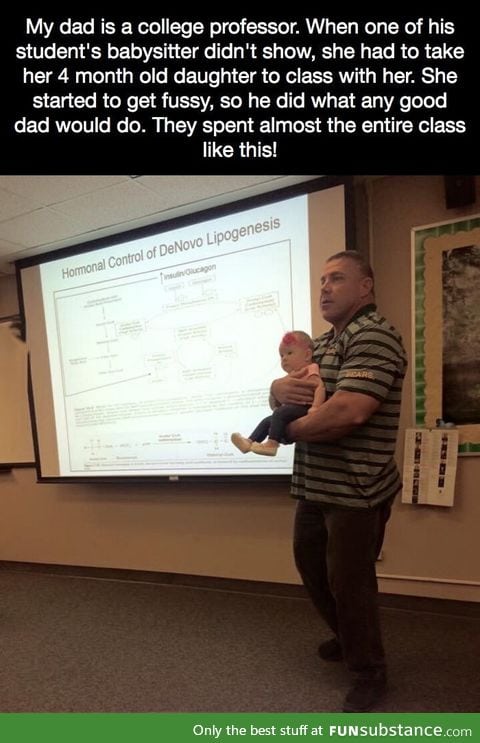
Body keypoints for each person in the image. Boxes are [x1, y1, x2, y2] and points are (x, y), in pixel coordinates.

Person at [270, 250, 407, 713]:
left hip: (357, 490)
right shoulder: (326, 344)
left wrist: (286, 430)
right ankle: (348, 638)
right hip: (315, 486)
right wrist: (275, 391)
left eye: (337, 279)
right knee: (312, 569)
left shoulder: (375, 336)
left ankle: (370, 670)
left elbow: (348, 411)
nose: (324, 287)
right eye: (322, 280)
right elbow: (296, 389)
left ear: (365, 287)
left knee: (351, 583)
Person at [231, 331, 326, 456]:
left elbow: (320, 387)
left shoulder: (310, 369)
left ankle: (272, 444)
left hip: (305, 408)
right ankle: (249, 442)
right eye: (281, 355)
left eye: (289, 353)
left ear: (307, 355)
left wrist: (316, 407)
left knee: (280, 413)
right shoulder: (291, 376)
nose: (284, 358)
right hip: (292, 410)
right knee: (267, 421)